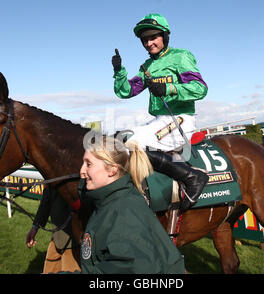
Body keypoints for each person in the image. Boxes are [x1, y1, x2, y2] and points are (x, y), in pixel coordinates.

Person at [111, 13, 209, 213]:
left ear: (165, 36)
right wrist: (119, 71)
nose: (149, 43)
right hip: (159, 121)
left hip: (181, 120)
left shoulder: (181, 56)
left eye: (153, 37)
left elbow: (200, 88)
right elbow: (126, 91)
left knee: (134, 142)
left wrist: (170, 89)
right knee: (120, 139)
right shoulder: (147, 66)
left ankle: (193, 177)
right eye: (145, 39)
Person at [65, 136, 185, 274]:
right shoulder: (107, 201)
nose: (81, 171)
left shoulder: (123, 214)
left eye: (89, 164)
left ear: (112, 170)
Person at [26, 185, 80, 273]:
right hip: (56, 239)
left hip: (74, 244)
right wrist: (34, 228)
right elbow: (45, 203)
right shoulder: (51, 179)